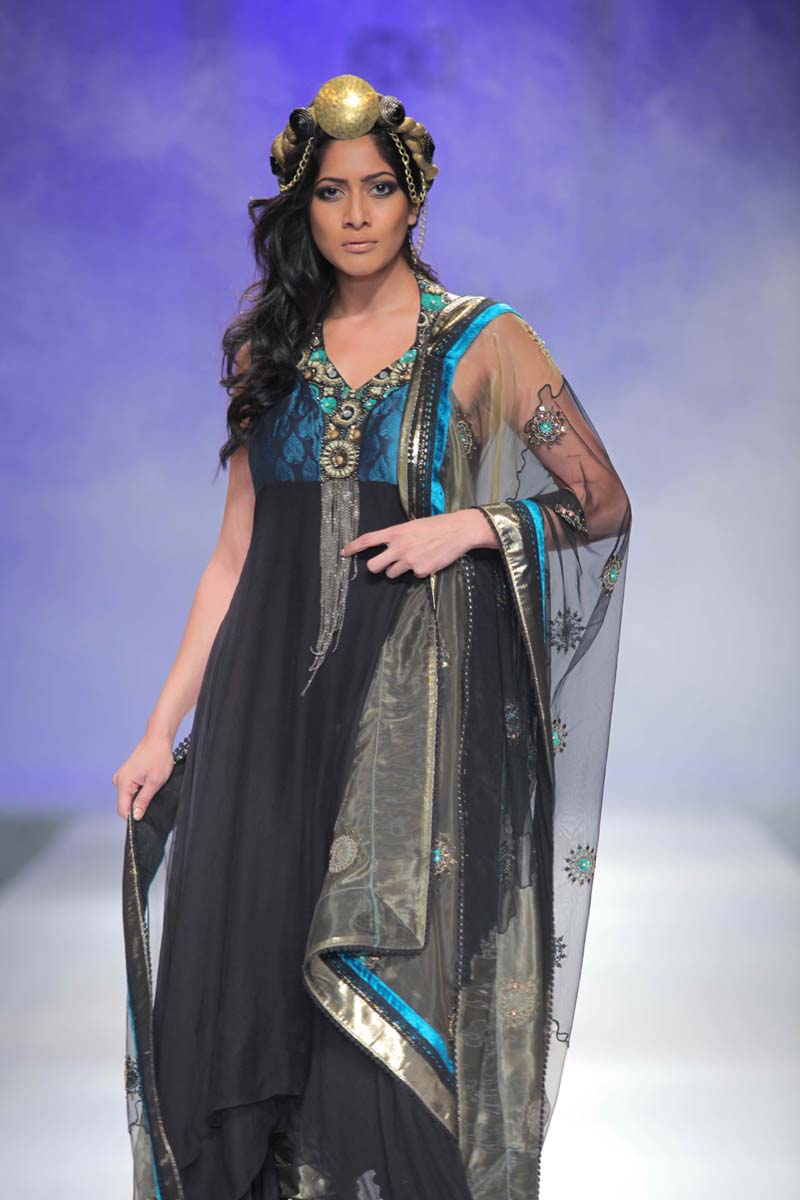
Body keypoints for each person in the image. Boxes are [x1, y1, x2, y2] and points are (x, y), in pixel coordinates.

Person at [116, 73, 632, 1200]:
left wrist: (471, 526)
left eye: (378, 189)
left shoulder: (484, 341)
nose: (355, 214)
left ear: (414, 199)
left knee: (384, 994)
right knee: (240, 986)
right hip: (263, 718)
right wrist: (160, 731)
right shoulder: (270, 353)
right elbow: (232, 556)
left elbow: (600, 501)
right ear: (300, 207)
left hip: (413, 722)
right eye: (330, 192)